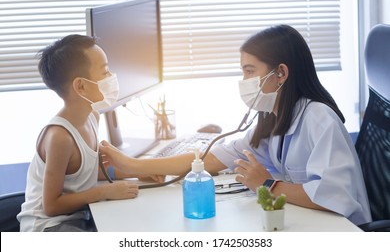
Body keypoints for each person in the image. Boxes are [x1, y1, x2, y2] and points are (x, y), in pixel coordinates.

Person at [99, 25, 372, 226]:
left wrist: (267, 184)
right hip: (308, 223)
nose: (244, 79)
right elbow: (211, 159)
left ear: (281, 74)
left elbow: (335, 198)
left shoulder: (319, 119)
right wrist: (134, 166)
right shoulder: (272, 117)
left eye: (250, 71)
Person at [17, 34, 147, 232]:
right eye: (105, 72)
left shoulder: (92, 116)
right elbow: (51, 206)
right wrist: (104, 192)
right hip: (48, 227)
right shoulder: (60, 137)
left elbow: (84, 174)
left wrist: (140, 172)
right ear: (81, 86)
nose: (111, 76)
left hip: (77, 217)